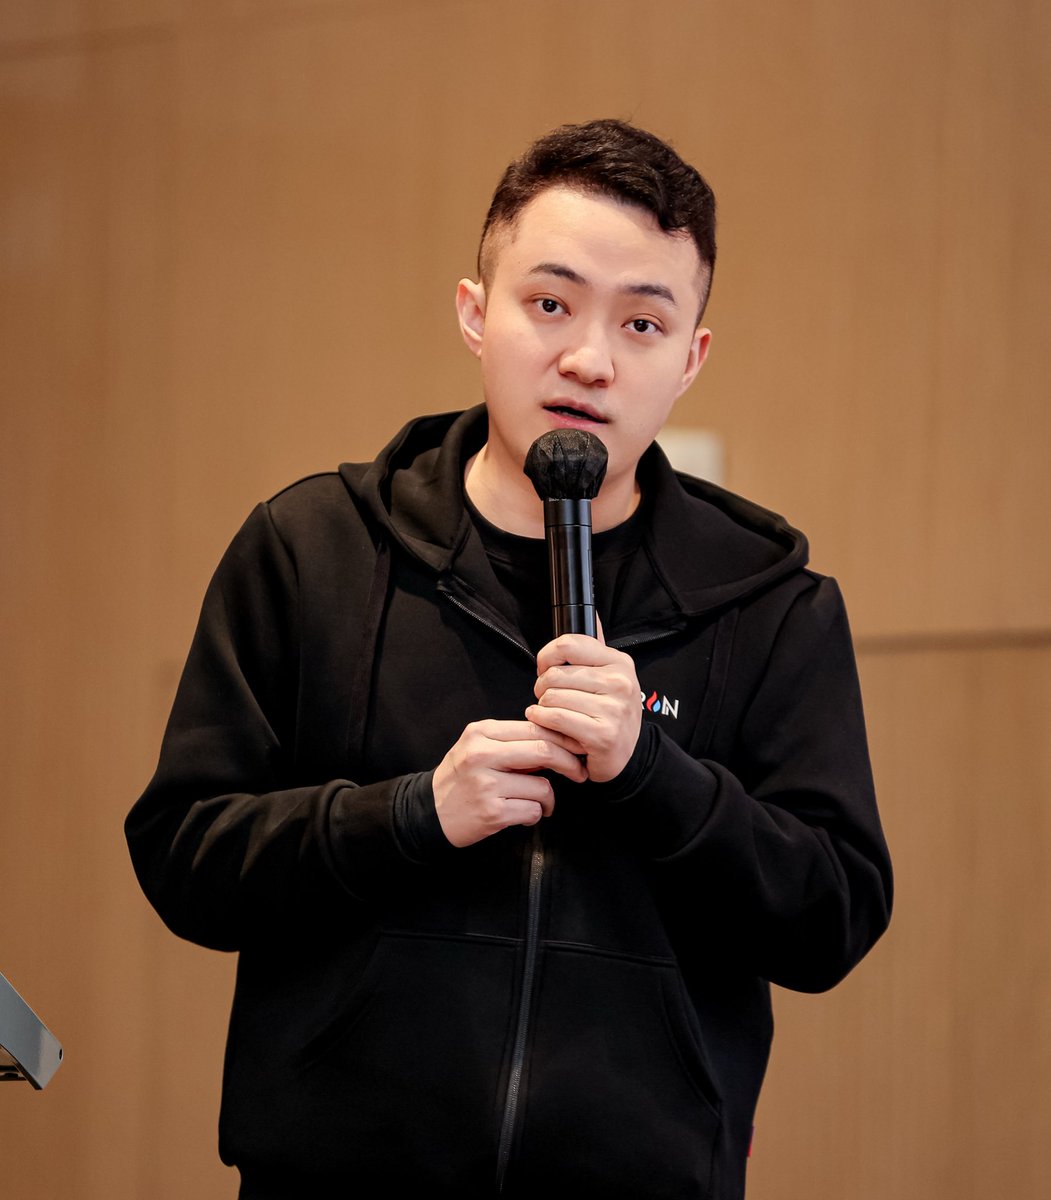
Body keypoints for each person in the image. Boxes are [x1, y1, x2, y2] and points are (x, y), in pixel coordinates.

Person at [125, 118, 892, 1199]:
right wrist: (411, 816)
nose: (588, 359)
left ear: (689, 359)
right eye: (549, 304)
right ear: (475, 313)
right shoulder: (312, 550)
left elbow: (831, 919)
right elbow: (184, 858)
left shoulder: (770, 607)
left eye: (641, 323)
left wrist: (652, 775)